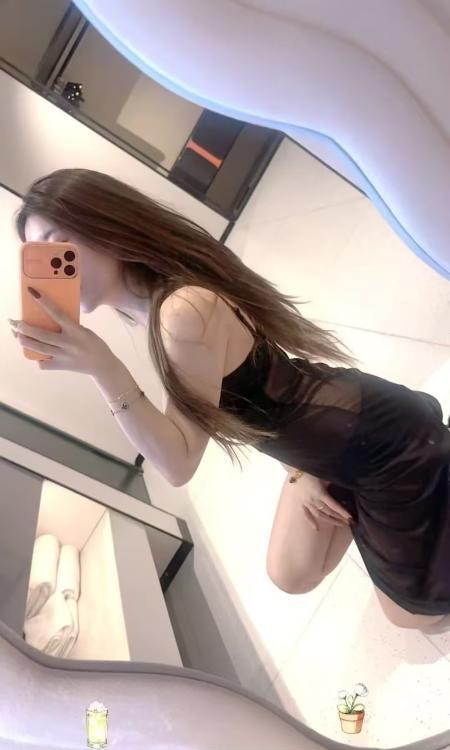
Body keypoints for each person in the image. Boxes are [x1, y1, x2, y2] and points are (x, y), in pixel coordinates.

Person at [11, 168, 450, 634]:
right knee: (290, 573)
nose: (56, 269)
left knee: (414, 616)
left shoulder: (180, 311)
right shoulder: (149, 304)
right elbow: (256, 398)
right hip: (329, 441)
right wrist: (302, 470)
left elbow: (179, 463)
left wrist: (103, 366)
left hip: (379, 443)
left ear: (107, 226)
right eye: (40, 257)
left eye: (59, 247)